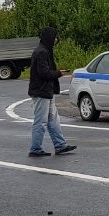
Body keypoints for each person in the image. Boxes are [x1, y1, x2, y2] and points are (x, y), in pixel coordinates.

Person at [27, 27, 75, 157]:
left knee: (53, 120)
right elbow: (43, 73)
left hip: (47, 91)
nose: (56, 40)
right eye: (54, 37)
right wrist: (58, 73)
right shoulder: (42, 52)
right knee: (41, 121)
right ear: (49, 37)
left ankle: (60, 145)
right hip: (41, 91)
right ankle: (35, 149)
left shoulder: (45, 50)